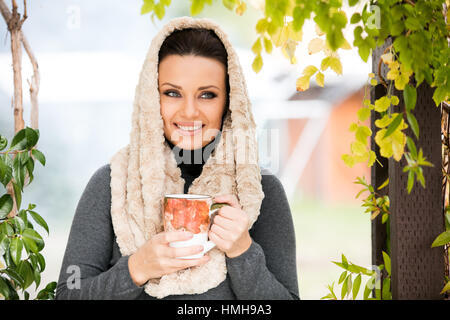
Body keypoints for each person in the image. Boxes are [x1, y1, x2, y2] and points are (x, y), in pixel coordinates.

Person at [56, 16, 299, 300]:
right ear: (151, 98)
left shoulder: (261, 191)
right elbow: (67, 296)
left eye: (207, 95)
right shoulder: (112, 185)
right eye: (172, 93)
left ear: (229, 103)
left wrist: (242, 252)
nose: (189, 112)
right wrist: (135, 268)